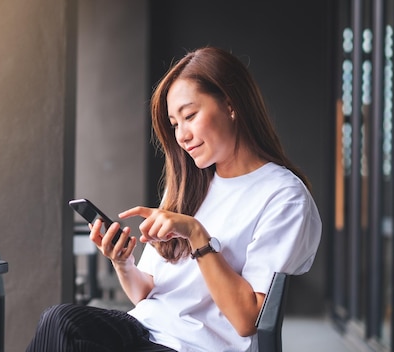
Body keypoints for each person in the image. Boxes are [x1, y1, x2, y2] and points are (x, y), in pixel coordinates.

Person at [26, 46, 322, 352]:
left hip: (196, 346)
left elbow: (247, 318)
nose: (181, 135)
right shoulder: (188, 186)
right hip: (145, 328)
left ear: (231, 104)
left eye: (190, 115)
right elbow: (147, 291)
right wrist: (123, 262)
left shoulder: (283, 196)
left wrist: (197, 234)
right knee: (59, 320)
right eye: (175, 124)